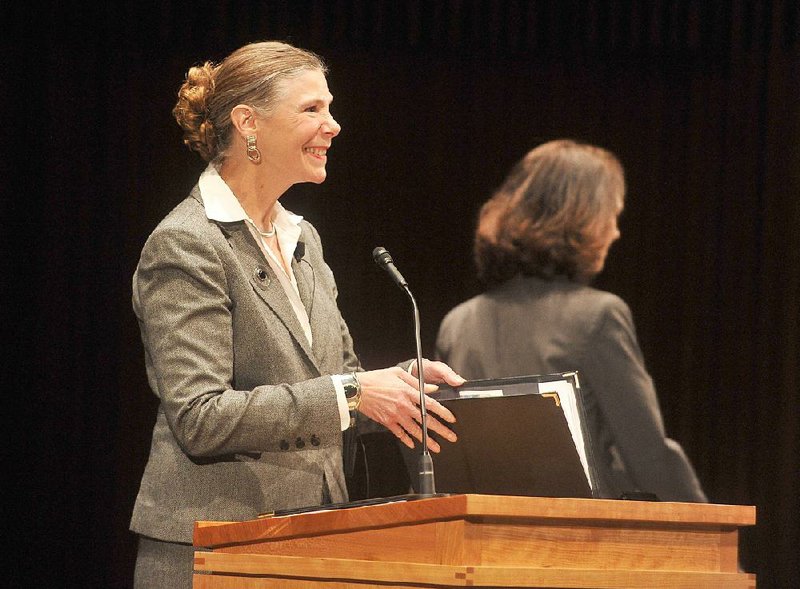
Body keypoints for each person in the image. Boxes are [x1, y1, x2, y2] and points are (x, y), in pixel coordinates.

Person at [130, 40, 464, 588]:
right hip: (215, 550)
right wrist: (356, 392)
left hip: (309, 545)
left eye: (329, 108)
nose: (333, 126)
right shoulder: (186, 244)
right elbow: (199, 417)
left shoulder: (302, 237)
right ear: (248, 124)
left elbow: (335, 386)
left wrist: (397, 386)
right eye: (311, 109)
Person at [435, 139, 707, 503]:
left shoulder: (458, 323)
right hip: (578, 541)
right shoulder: (598, 317)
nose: (615, 231)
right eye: (612, 214)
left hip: (481, 542)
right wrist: (718, 541)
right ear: (581, 218)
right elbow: (647, 456)